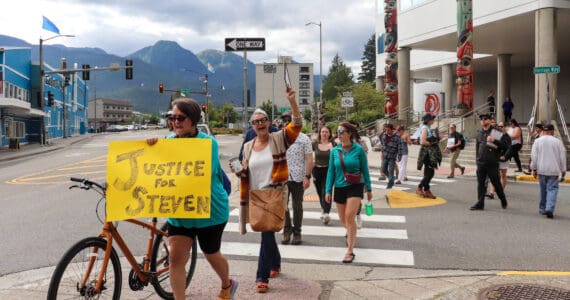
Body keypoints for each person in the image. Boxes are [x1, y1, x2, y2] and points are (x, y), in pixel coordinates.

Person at [146, 98, 237, 300]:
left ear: (193, 119)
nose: (175, 122)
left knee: (211, 253)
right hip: (180, 211)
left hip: (210, 211)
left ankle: (227, 283)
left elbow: (202, 174)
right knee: (176, 260)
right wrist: (152, 147)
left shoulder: (208, 143)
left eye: (180, 118)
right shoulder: (168, 142)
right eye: (172, 117)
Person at [233, 89, 302, 293]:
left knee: (266, 233)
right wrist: (239, 171)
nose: (260, 124)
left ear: (269, 122)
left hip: (274, 193)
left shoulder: (279, 139)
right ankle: (275, 263)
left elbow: (297, 125)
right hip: (255, 195)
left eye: (263, 120)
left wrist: (293, 102)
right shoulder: (247, 146)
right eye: (256, 122)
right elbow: (245, 171)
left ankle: (261, 277)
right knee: (267, 232)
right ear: (252, 126)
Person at [325, 121, 372, 264]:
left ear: (349, 134)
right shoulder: (335, 151)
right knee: (343, 220)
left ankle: (350, 251)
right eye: (337, 132)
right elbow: (331, 172)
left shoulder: (358, 150)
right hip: (339, 187)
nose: (338, 134)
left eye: (341, 132)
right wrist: (328, 190)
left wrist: (368, 188)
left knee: (349, 216)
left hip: (355, 186)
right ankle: (351, 232)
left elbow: (365, 169)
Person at [470, 113, 509, 211]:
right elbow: (477, 147)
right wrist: (477, 160)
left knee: (496, 183)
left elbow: (505, 146)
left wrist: (494, 141)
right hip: (481, 163)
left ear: (490, 120)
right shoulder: (479, 132)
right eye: (481, 119)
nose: (483, 120)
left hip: (492, 163)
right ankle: (480, 203)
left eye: (485, 119)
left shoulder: (496, 132)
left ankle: (503, 198)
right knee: (481, 184)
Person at [282, 131, 313, 245]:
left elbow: (309, 158)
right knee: (282, 204)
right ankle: (287, 228)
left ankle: (297, 232)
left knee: (297, 205)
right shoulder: (281, 137)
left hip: (298, 177)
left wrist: (308, 176)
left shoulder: (304, 138)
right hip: (282, 177)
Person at [531, 124, 567, 219]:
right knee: (552, 189)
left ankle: (543, 208)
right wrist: (563, 170)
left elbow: (534, 157)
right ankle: (549, 208)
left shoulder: (537, 141)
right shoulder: (558, 142)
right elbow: (562, 157)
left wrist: (534, 169)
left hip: (541, 169)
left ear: (543, 131)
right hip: (553, 170)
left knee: (543, 190)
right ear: (552, 131)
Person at [312, 125, 335, 225]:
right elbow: (309, 156)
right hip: (316, 170)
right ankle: (323, 208)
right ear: (320, 133)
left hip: (329, 170)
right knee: (319, 191)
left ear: (329, 133)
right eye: (322, 132)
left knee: (326, 191)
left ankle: (326, 213)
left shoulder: (334, 144)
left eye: (326, 132)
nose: (324, 134)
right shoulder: (314, 144)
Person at [416, 114, 441, 199]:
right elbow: (422, 141)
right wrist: (432, 143)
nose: (433, 120)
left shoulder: (428, 128)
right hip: (427, 154)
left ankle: (426, 190)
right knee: (430, 173)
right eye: (432, 119)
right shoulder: (425, 128)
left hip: (429, 153)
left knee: (428, 173)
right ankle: (420, 187)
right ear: (428, 120)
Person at [487, 121, 511, 199]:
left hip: (503, 158)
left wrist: (505, 156)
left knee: (503, 175)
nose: (500, 128)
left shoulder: (507, 137)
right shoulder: (496, 134)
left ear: (505, 127)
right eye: (499, 126)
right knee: (493, 175)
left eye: (502, 126)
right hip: (495, 157)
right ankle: (491, 193)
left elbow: (507, 148)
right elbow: (491, 144)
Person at [379, 123, 402, 189]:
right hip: (385, 156)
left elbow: (400, 147)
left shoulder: (397, 137)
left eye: (388, 130)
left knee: (391, 171)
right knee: (383, 169)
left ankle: (390, 185)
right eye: (386, 130)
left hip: (392, 156)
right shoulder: (384, 135)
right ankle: (391, 178)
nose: (387, 132)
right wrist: (382, 152)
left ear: (392, 130)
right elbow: (382, 144)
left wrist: (399, 156)